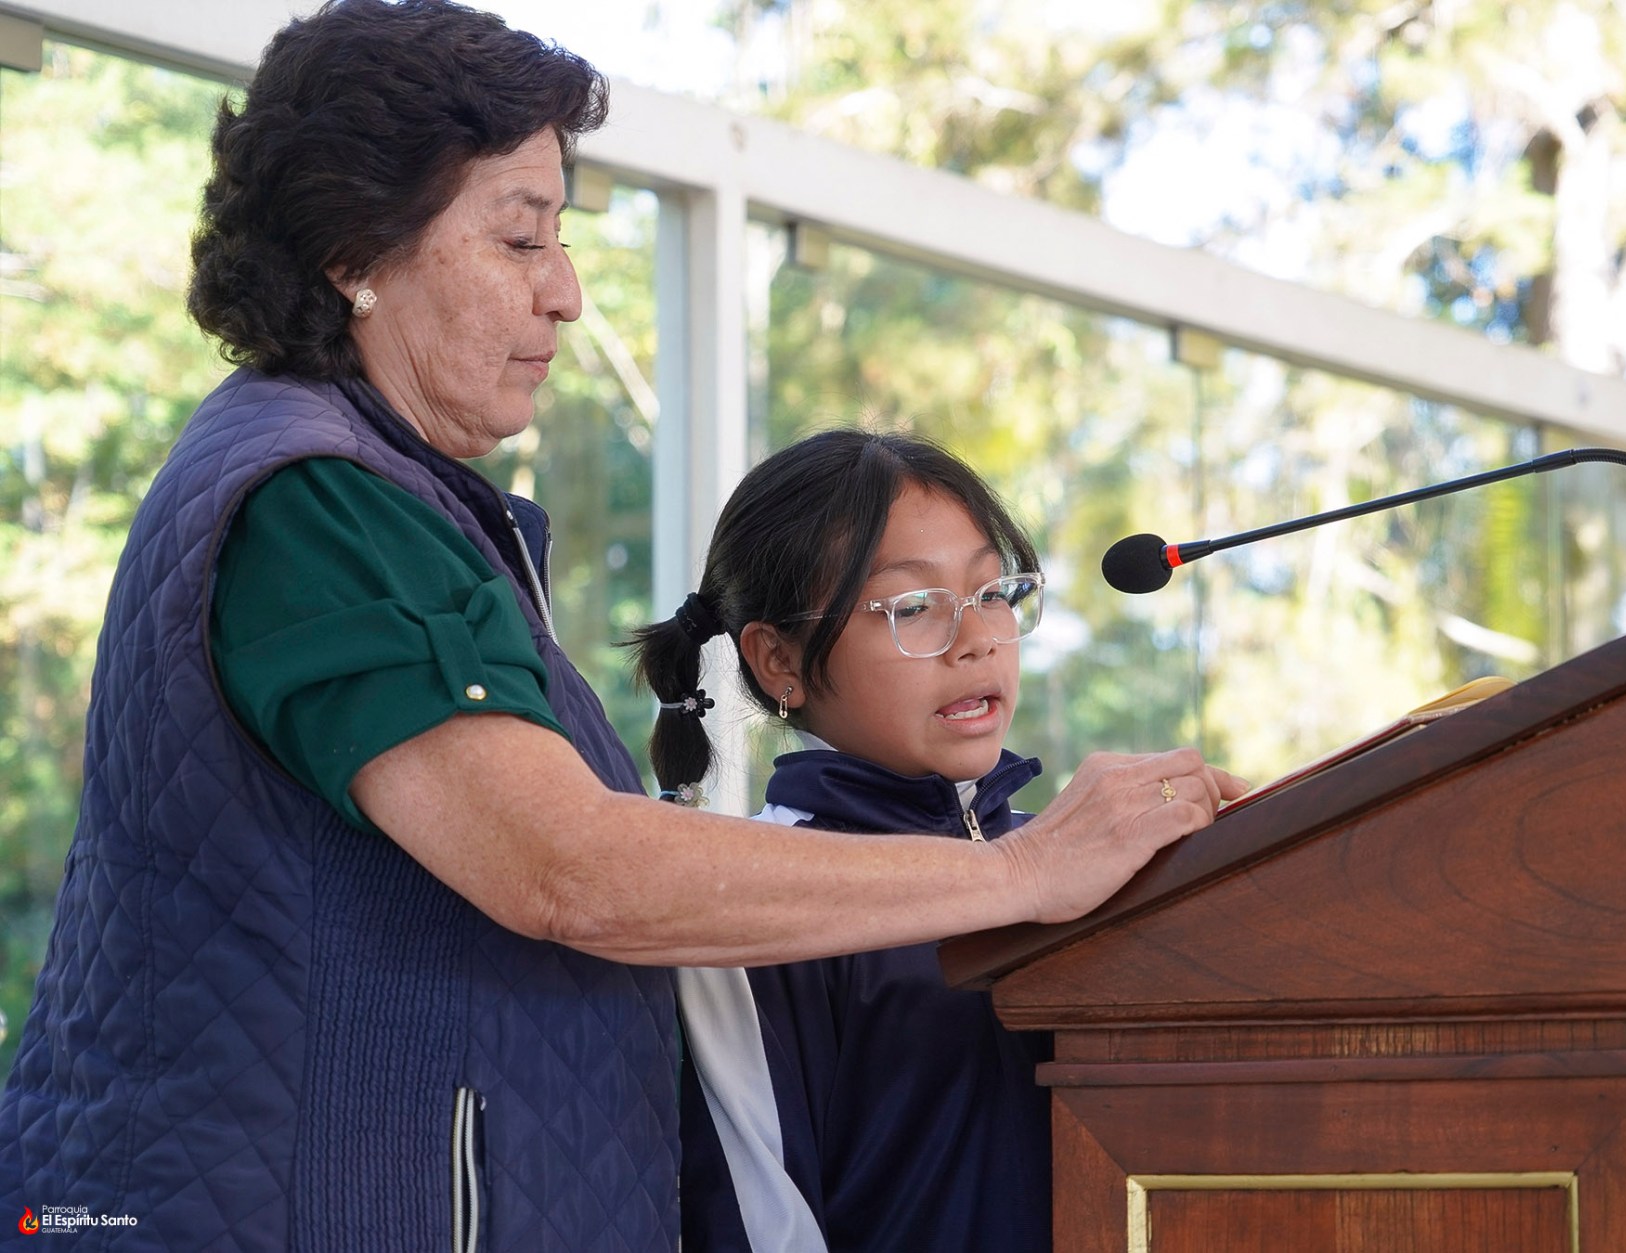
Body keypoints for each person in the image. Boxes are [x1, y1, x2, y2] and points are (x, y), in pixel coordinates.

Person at [0, 2, 1239, 1249]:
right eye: (521, 238)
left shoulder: (388, 496)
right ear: (350, 253)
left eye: (562, 238)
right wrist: (1020, 873)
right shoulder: (319, 503)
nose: (568, 293)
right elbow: (568, 866)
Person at [633, 430, 1064, 1252]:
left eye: (993, 590)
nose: (975, 638)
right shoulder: (747, 917)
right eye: (912, 607)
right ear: (779, 659)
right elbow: (760, 1226)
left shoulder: (1067, 864)